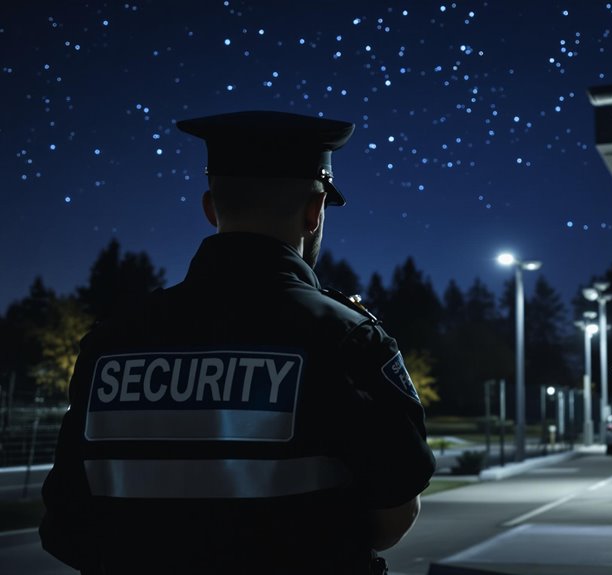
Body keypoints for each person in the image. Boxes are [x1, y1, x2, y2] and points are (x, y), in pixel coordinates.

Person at [39, 110, 436, 574]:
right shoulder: (346, 338)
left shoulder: (112, 340)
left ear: (210, 208)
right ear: (314, 212)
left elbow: (64, 522)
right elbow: (394, 517)